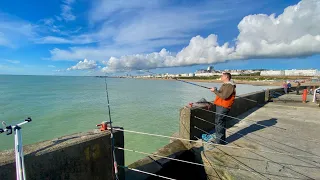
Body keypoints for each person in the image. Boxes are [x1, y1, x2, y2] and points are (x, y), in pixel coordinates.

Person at [210, 72, 236, 145]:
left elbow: (224, 96)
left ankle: (219, 141)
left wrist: (214, 91)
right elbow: (222, 94)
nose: (221, 77)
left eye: (222, 76)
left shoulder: (230, 86)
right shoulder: (226, 85)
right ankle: (221, 139)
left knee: (219, 123)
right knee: (220, 122)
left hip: (223, 106)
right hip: (221, 106)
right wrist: (215, 90)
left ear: (226, 77)